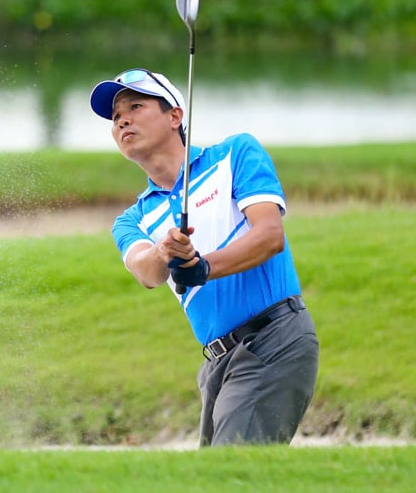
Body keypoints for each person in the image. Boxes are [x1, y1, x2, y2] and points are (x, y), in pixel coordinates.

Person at [88, 68, 319, 447]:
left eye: (135, 106)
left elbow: (269, 236)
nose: (122, 120)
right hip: (217, 362)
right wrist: (164, 250)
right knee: (219, 478)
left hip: (273, 338)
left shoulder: (235, 155)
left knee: (233, 475)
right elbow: (146, 271)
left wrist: (203, 266)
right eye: (115, 117)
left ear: (175, 116)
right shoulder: (133, 219)